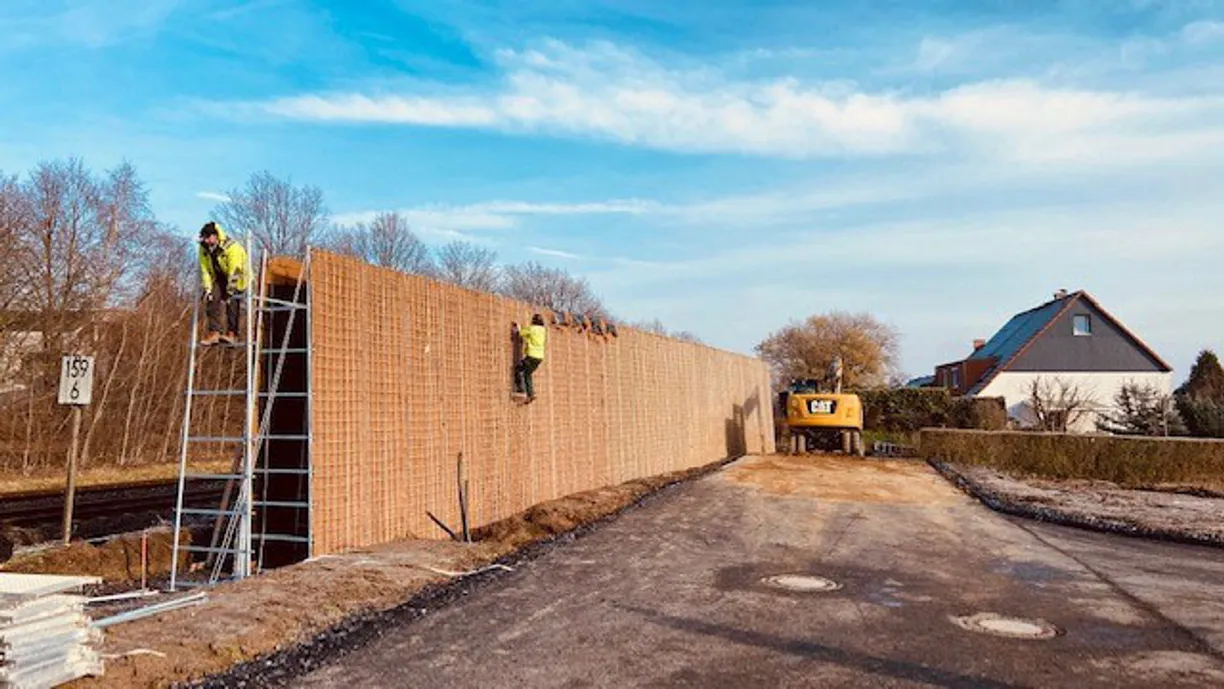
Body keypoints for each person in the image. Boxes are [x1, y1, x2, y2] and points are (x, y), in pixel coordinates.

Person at [197, 221, 249, 346]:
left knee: (232, 302)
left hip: (237, 277)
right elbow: (204, 270)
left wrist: (229, 291)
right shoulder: (203, 249)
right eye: (205, 238)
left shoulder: (232, 247)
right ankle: (214, 332)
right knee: (212, 298)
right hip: (219, 277)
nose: (207, 241)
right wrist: (208, 289)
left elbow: (235, 270)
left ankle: (232, 333)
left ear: (215, 236)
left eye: (209, 237)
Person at [512, 314, 547, 402]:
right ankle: (531, 394)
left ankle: (521, 391)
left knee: (518, 370)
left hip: (531, 355)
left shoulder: (532, 328)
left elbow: (520, 333)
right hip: (540, 357)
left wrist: (518, 327)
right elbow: (531, 338)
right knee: (528, 373)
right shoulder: (543, 330)